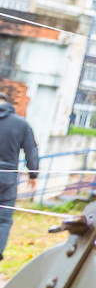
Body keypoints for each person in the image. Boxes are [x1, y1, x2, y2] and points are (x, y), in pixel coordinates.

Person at [0, 91, 38, 260]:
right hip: (6, 178)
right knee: (3, 219)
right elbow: (31, 149)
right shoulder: (21, 124)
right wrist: (33, 174)